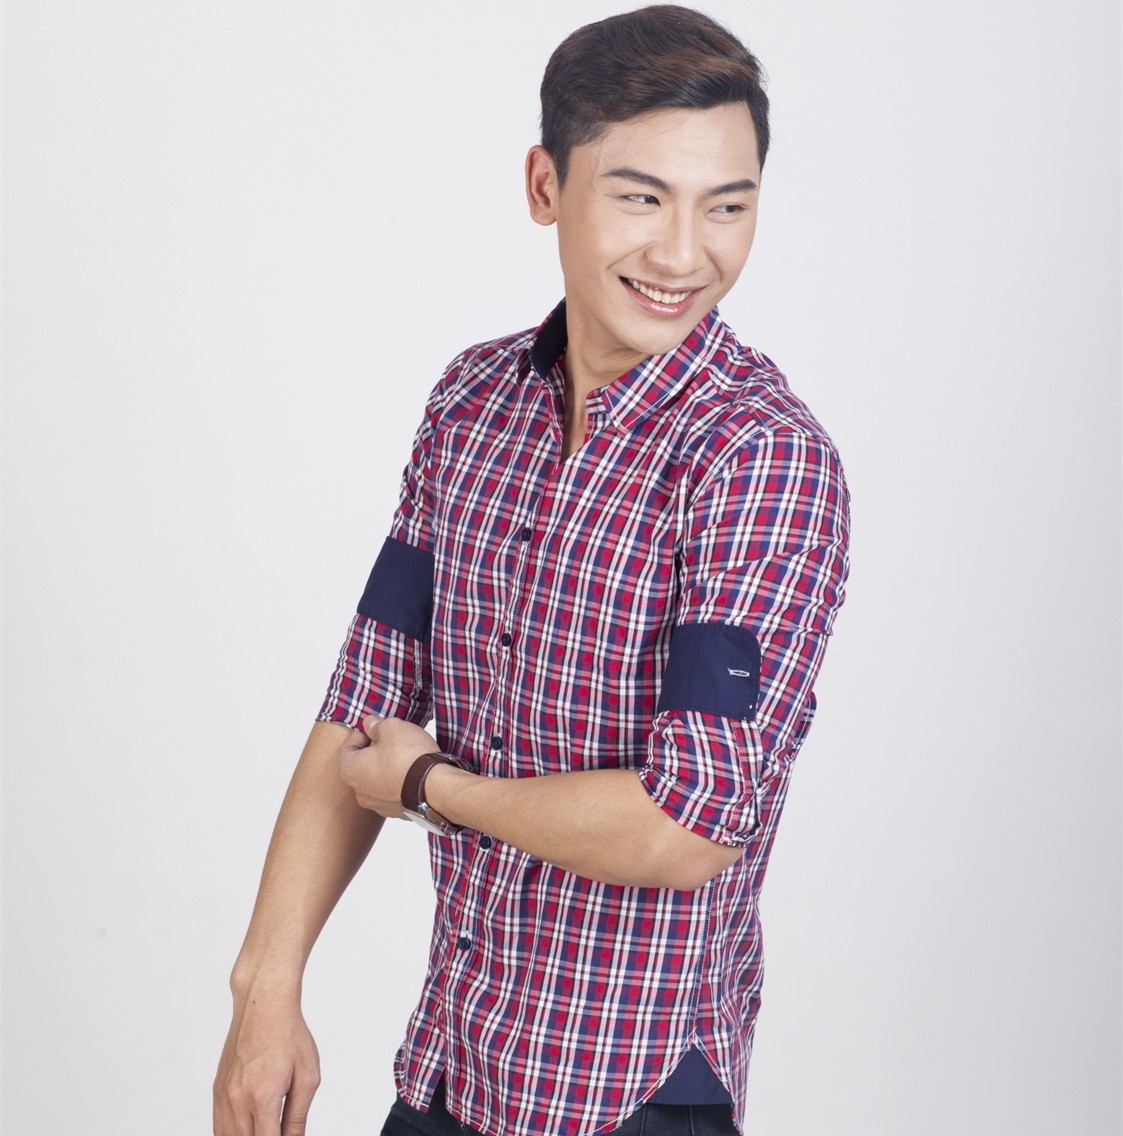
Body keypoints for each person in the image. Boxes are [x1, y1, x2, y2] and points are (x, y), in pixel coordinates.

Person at [212, 6, 850, 1136]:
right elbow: (365, 697)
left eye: (727, 206)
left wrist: (431, 787)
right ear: (545, 185)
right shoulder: (473, 404)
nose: (683, 254)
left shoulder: (757, 459)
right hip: (454, 1065)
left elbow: (687, 824)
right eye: (642, 198)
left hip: (626, 1092)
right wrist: (265, 990)